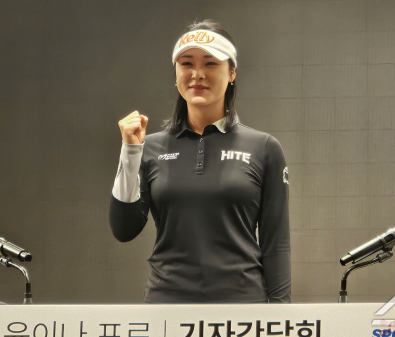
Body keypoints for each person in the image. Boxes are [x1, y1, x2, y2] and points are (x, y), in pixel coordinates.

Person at [109, 20, 291, 303]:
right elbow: (124, 230)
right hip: (166, 309)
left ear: (231, 73)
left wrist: (279, 316)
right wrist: (131, 152)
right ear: (176, 73)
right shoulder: (150, 148)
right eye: (186, 64)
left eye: (210, 63)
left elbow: (276, 244)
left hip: (241, 308)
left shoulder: (264, 148)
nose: (197, 74)